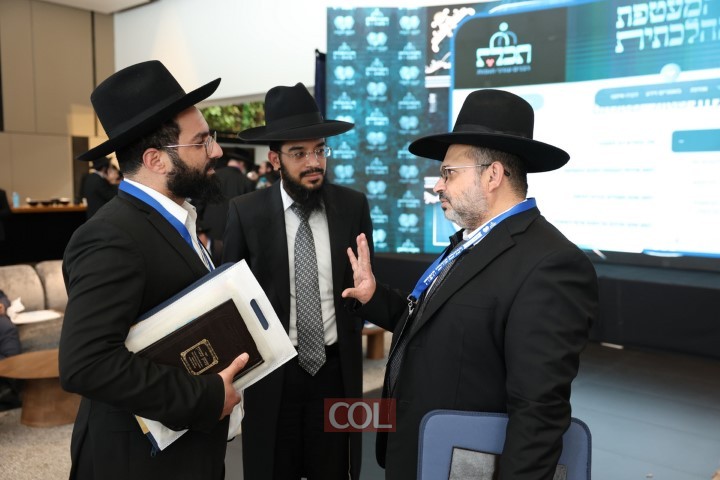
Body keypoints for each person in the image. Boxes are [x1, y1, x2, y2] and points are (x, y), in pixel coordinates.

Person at [342, 89, 599, 480]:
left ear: (492, 175)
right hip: (421, 455)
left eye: (449, 173)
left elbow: (538, 415)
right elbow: (437, 328)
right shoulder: (471, 242)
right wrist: (374, 297)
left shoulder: (550, 264)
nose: (438, 186)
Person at [58, 60, 249, 480]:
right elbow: (86, 363)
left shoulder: (177, 218)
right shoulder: (111, 235)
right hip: (136, 461)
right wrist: (203, 396)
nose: (217, 151)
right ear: (156, 160)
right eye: (202, 142)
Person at [224, 82, 385, 480]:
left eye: (319, 150)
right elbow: (231, 300)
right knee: (271, 467)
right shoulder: (246, 213)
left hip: (336, 372)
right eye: (299, 153)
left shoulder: (353, 206)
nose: (314, 162)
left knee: (336, 469)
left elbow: (365, 283)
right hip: (273, 374)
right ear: (275, 159)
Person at [197, 151, 255, 255]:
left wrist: (199, 226)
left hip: (209, 231)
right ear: (242, 164)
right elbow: (249, 212)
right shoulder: (247, 182)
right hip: (234, 234)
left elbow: (199, 203)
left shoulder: (212, 176)